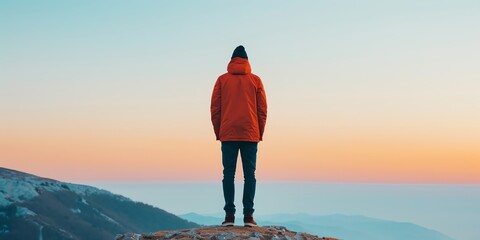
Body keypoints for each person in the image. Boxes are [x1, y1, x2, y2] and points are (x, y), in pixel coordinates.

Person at [210, 45, 267, 227]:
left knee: (229, 174)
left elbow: (215, 109)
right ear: (247, 61)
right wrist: (259, 132)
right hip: (250, 133)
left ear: (231, 60)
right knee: (250, 175)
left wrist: (219, 131)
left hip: (228, 134)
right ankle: (249, 217)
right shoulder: (256, 80)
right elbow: (262, 110)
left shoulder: (221, 80)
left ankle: (229, 217)